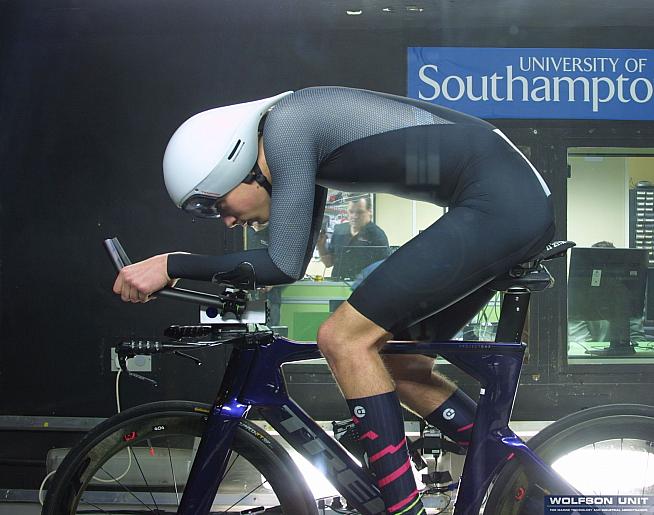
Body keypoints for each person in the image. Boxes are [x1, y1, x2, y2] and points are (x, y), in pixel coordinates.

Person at [113, 87, 554, 514]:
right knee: (401, 366)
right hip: (506, 200)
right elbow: (291, 263)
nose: (226, 220)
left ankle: (404, 510)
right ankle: (519, 481)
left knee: (343, 339)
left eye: (217, 205)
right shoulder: (296, 134)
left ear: (239, 165)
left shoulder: (287, 129)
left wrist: (172, 264)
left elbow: (280, 264)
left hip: (499, 204)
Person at [317, 196, 390, 280]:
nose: (354, 216)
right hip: (337, 284)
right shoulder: (339, 230)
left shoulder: (377, 235)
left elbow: (385, 269)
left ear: (369, 211)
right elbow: (329, 263)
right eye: (351, 212)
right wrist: (320, 245)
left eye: (360, 212)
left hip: (364, 285)